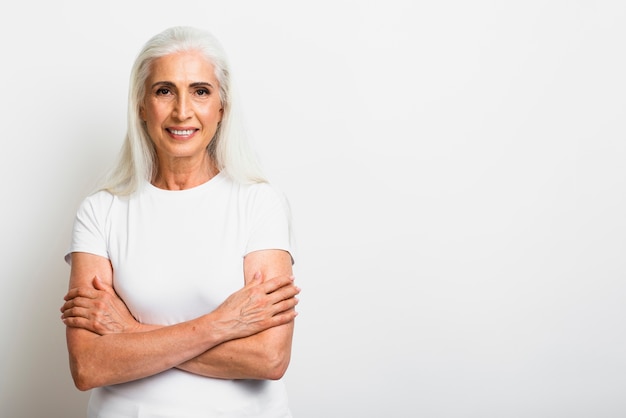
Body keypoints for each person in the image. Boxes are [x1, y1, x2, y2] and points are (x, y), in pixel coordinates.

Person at [60, 26, 300, 418]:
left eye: (201, 91)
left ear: (222, 107)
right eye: (164, 90)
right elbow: (89, 366)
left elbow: (269, 357)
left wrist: (129, 334)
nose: (182, 111)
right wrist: (223, 324)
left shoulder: (260, 204)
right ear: (141, 104)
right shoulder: (100, 211)